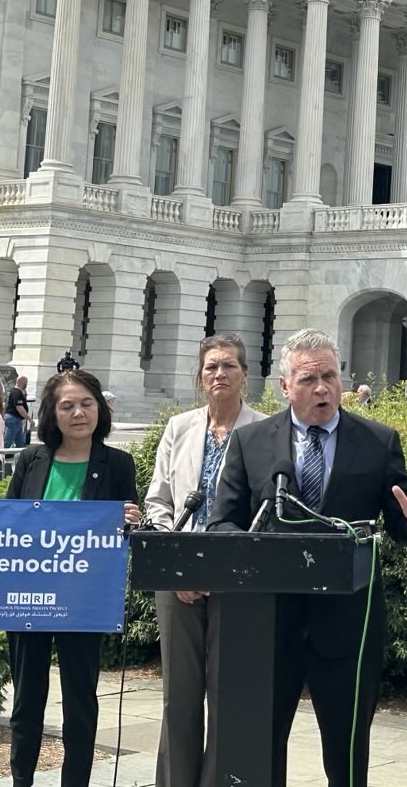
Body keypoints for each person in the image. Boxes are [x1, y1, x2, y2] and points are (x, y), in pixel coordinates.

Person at [206, 329, 407, 787]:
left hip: (348, 628)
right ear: (284, 386)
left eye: (330, 376)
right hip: (268, 623)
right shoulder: (251, 442)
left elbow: (399, 521)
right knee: (261, 747)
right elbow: (222, 524)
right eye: (309, 378)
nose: (322, 388)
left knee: (347, 753)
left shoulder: (378, 440)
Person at [2, 370, 141, 787]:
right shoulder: (32, 459)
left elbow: (125, 531)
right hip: (28, 595)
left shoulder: (118, 464)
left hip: (84, 598)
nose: (78, 413)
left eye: (86, 403)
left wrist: (130, 521)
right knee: (27, 698)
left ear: (100, 408)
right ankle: (21, 779)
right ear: (52, 414)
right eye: (67, 406)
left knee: (80, 699)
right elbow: (7, 519)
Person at [146, 335, 266, 787]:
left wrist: (228, 567)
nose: (220, 374)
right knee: (179, 696)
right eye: (212, 366)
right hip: (178, 573)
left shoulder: (264, 429)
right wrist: (179, 565)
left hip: (237, 578)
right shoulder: (179, 427)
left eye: (230, 366)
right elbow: (158, 500)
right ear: (200, 376)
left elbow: (268, 509)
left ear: (245, 376)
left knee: (227, 694)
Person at [4, 373, 32, 448]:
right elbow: (20, 409)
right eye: (26, 383)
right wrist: (29, 419)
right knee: (8, 441)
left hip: (16, 420)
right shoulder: (17, 393)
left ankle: (22, 456)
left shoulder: (14, 391)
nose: (26, 385)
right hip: (13, 419)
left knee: (20, 442)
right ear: (22, 383)